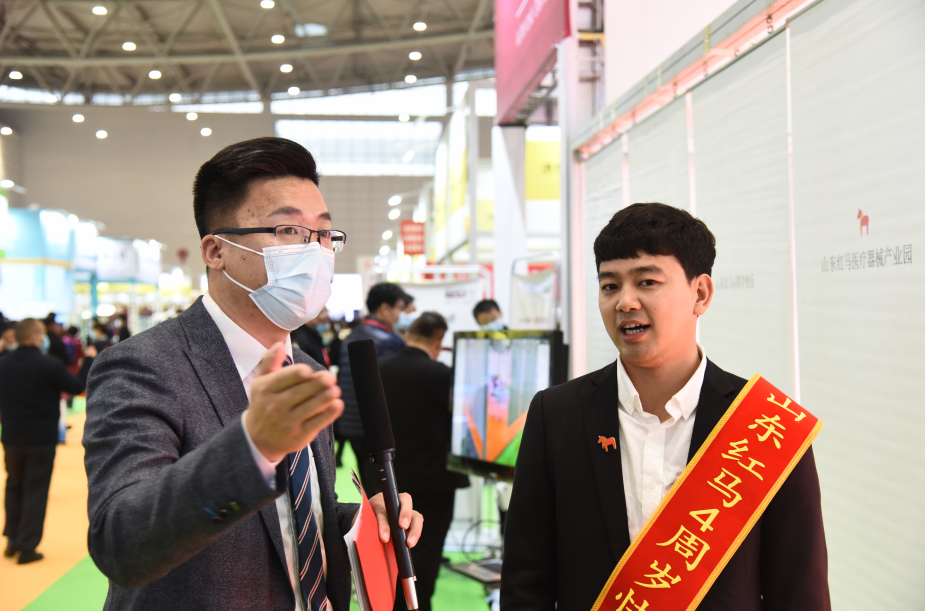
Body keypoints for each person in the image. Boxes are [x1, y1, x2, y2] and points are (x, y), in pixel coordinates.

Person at [83, 137, 422, 611]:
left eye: (324, 234)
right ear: (216, 251)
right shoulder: (145, 365)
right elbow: (122, 543)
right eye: (288, 230)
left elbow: (288, 517)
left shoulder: (303, 369)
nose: (315, 250)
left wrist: (359, 520)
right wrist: (253, 447)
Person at [501, 203, 829, 610]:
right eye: (609, 286)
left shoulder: (767, 426)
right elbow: (525, 585)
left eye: (647, 282)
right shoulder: (556, 415)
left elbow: (799, 594)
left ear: (700, 293)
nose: (625, 302)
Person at [379, 312, 470, 611]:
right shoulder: (443, 375)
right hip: (434, 481)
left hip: (389, 478)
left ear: (408, 334)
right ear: (438, 341)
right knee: (426, 553)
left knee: (389, 551)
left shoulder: (380, 369)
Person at [0, 318, 96, 564]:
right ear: (36, 337)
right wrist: (88, 361)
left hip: (11, 437)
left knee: (14, 485)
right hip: (41, 439)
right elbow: (76, 386)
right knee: (36, 490)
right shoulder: (49, 364)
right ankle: (27, 547)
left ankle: (12, 539)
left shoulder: (4, 364)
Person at [335, 282, 408, 498]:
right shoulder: (387, 341)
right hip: (375, 426)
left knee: (369, 484)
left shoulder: (352, 334)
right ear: (385, 308)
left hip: (350, 421)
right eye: (399, 308)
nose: (400, 315)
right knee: (385, 489)